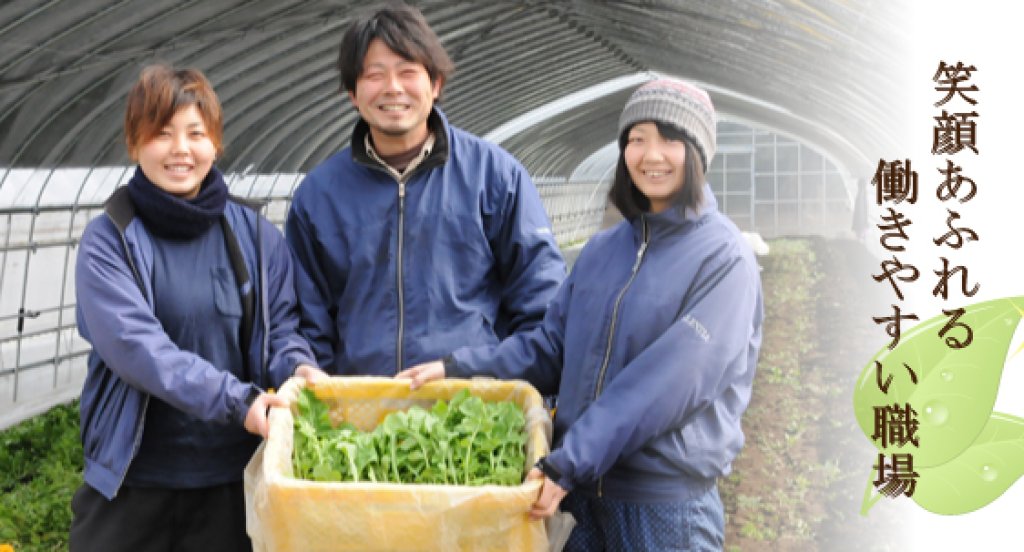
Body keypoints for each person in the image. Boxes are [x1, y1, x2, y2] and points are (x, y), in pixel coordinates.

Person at [399, 79, 764, 550]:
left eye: (670, 138)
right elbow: (552, 347)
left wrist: (570, 460)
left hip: (661, 506)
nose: (651, 155)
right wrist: (459, 367)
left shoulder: (723, 258)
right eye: (637, 139)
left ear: (698, 152)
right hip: (580, 501)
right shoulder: (604, 249)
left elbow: (667, 383)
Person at [70, 64, 326, 551]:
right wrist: (240, 400)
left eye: (195, 133)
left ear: (216, 143)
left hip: (231, 482)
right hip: (133, 483)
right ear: (135, 142)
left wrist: (298, 368)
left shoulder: (255, 234)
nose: (180, 150)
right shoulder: (111, 239)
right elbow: (138, 349)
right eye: (162, 134)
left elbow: (280, 329)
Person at [285, 2, 565, 376]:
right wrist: (309, 374)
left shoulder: (495, 176)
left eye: (407, 72)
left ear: (435, 84)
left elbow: (543, 307)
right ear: (352, 93)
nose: (393, 88)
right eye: (374, 75)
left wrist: (472, 369)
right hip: (362, 417)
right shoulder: (318, 196)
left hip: (473, 410)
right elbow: (306, 320)